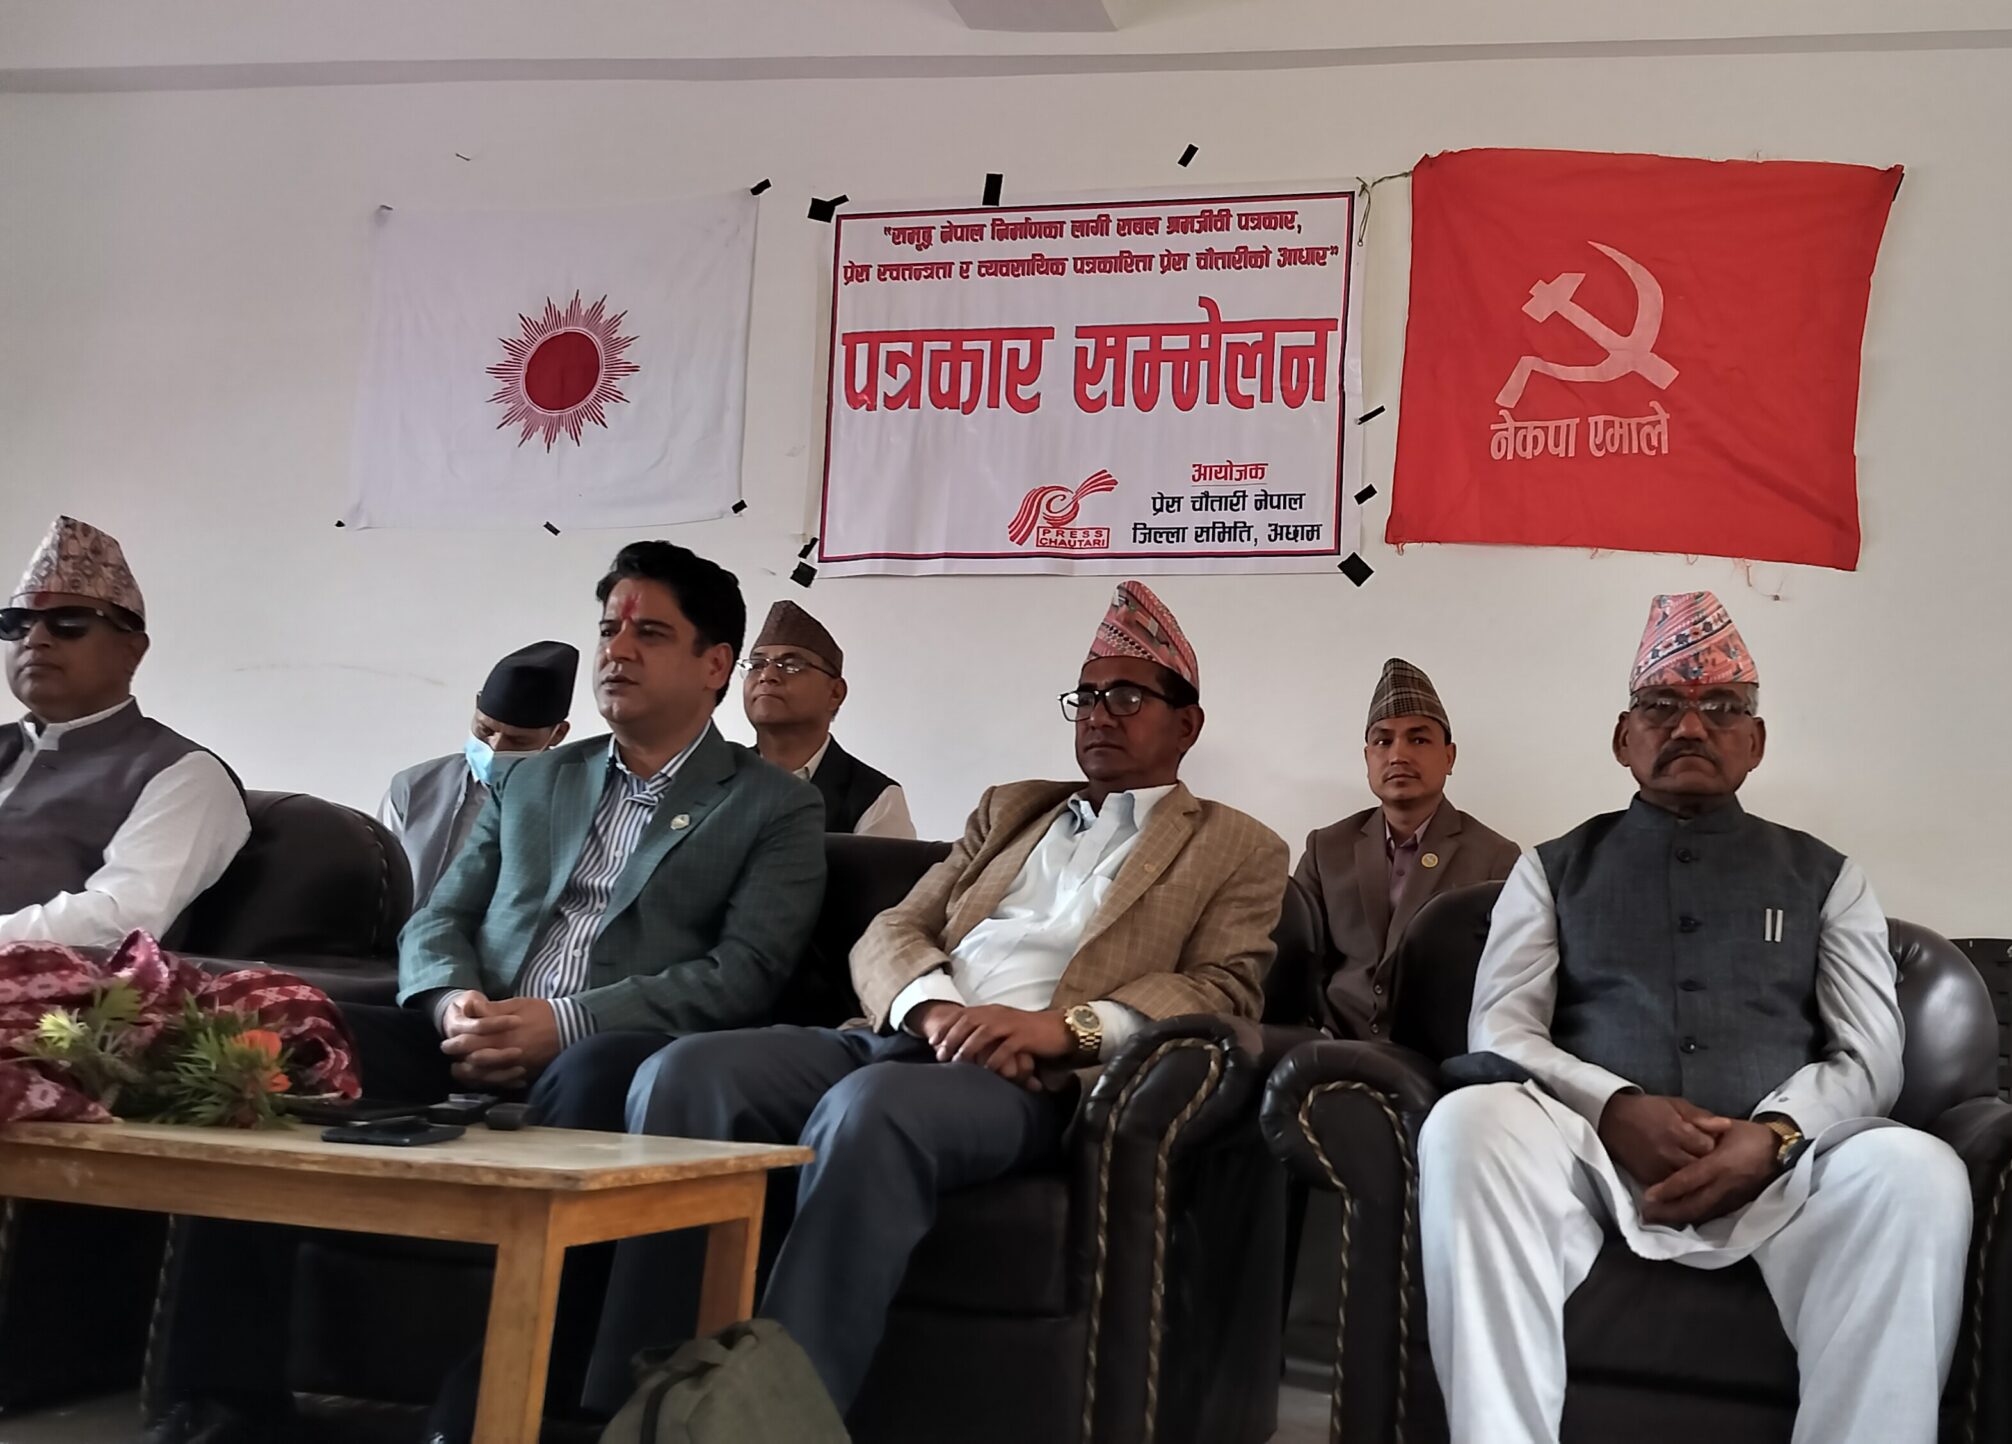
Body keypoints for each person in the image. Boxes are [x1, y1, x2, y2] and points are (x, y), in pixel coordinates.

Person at [149, 541, 827, 1444]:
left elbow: (744, 972)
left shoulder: (771, 806)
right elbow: (439, 918)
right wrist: (452, 1004)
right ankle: (221, 1403)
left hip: (609, 1050)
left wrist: (566, 1023)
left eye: (651, 634)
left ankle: (481, 1418)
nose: (617, 652)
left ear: (714, 666)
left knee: (597, 1077)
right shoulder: (532, 779)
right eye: (609, 630)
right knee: (276, 1046)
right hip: (464, 1031)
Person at [585, 579, 1286, 1415]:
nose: (1100, 715)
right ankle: (633, 1406)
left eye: (1127, 697)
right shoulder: (1012, 809)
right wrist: (933, 1007)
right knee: (681, 1075)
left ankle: (766, 1422)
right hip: (904, 1031)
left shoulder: (1239, 846)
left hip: (1024, 1080)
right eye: (1088, 697)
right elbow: (894, 928)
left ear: (1187, 724)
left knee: (871, 1111)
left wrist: (1061, 1030)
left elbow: (1222, 987)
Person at [1417, 591, 1969, 1444]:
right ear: (1623, 738)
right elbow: (1502, 1030)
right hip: (1588, 1162)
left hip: (1787, 1174)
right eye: (1660, 706)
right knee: (1468, 1124)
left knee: (1918, 1171)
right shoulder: (1551, 870)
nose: (1689, 727)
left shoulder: (1829, 877)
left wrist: (1775, 1135)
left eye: (1722, 708)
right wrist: (1612, 1108)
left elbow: (1869, 1058)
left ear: (1756, 741)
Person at [0, 515, 249, 947]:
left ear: (131, 651)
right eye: (15, 623)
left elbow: (119, 921)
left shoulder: (184, 774)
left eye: (70, 622)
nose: (35, 638)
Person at [1295, 657, 1518, 1038]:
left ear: (1449, 757)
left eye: (1418, 739)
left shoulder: (1495, 857)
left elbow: (1505, 982)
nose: (1398, 755)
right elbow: (1298, 964)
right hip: (1331, 1049)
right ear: (1367, 757)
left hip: (1438, 1055)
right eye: (1383, 741)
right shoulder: (1326, 848)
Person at [378, 640, 578, 909]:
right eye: (485, 730)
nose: (495, 748)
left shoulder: (573, 807)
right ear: (476, 706)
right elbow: (379, 886)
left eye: (518, 741)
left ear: (558, 734)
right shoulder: (413, 789)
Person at [741, 599, 914, 837]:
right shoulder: (715, 778)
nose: (767, 675)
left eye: (791, 665)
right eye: (757, 664)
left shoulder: (875, 799)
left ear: (835, 693)